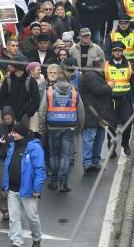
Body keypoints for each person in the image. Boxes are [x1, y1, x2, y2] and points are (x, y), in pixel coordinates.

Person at [40, 63, 83, 192]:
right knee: (65, 155)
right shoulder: (74, 91)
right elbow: (81, 112)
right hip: (69, 126)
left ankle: (53, 181)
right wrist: (79, 129)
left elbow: (42, 111)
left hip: (53, 126)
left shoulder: (49, 91)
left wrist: (42, 127)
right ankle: (63, 182)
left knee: (54, 154)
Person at [1, 125, 46, 247]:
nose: (12, 134)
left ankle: (36, 238)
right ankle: (17, 242)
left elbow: (40, 169)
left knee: (32, 217)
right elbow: (7, 167)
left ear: (22, 133)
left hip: (28, 190)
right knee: (14, 218)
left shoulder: (35, 148)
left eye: (15, 132)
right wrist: (5, 185)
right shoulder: (12, 146)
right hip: (12, 189)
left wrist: (37, 188)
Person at [79, 57, 114, 173]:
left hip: (100, 114)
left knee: (99, 138)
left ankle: (95, 162)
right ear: (101, 65)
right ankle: (87, 163)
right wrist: (109, 86)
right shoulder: (90, 75)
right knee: (89, 138)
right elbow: (97, 90)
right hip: (91, 114)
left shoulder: (96, 75)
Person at [106, 41, 134, 157]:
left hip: (125, 99)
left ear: (122, 52)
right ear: (112, 52)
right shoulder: (105, 66)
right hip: (111, 100)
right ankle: (111, 147)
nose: (117, 52)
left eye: (119, 50)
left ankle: (125, 144)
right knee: (112, 125)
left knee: (128, 123)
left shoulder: (129, 65)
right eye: (115, 50)